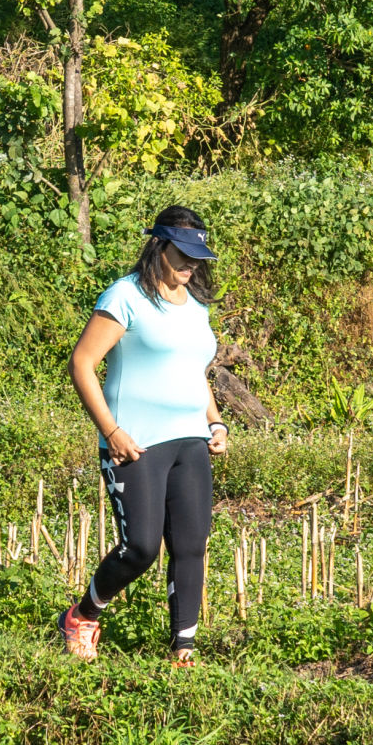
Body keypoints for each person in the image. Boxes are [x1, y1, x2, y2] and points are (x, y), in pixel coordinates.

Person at [62, 204, 229, 664]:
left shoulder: (195, 305)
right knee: (139, 548)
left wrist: (214, 420)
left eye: (198, 256)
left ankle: (184, 649)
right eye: (183, 254)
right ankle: (82, 615)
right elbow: (81, 364)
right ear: (159, 246)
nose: (191, 264)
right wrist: (111, 431)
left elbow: (194, 371)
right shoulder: (125, 296)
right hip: (134, 444)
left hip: (190, 439)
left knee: (192, 544)